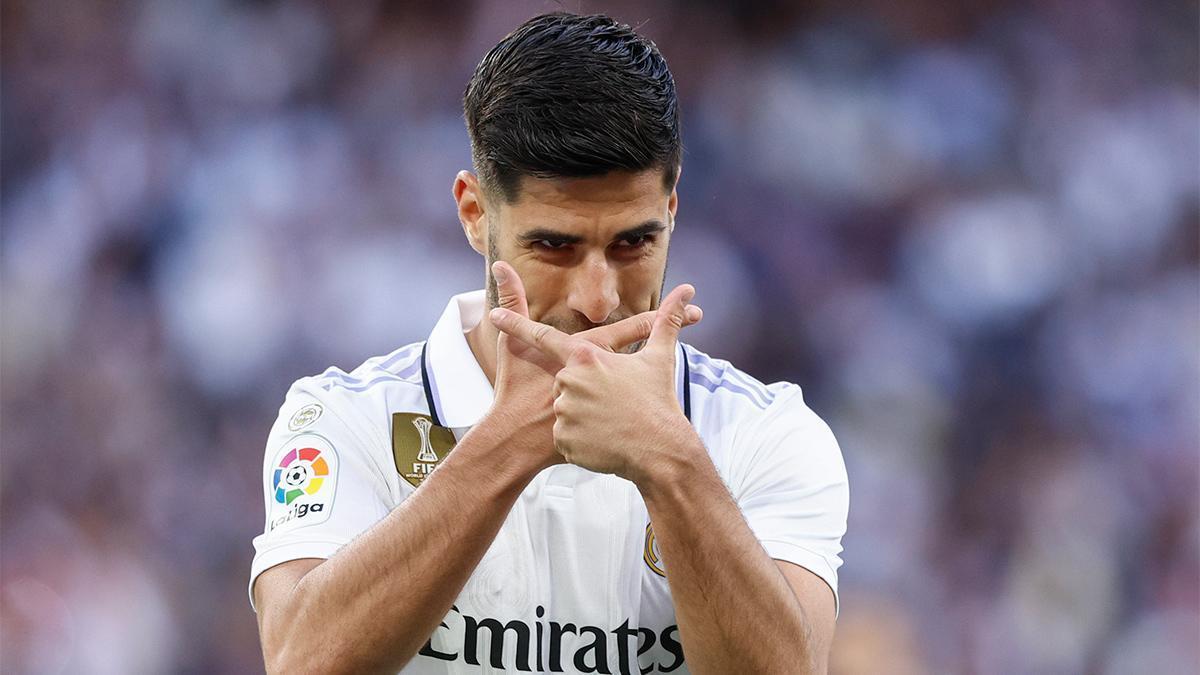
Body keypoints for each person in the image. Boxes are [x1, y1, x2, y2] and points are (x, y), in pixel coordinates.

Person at [249, 12, 848, 674]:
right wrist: (511, 438)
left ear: (672, 208)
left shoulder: (765, 433)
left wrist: (671, 462)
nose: (599, 296)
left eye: (634, 242)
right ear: (475, 212)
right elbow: (301, 661)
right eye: (555, 246)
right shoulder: (343, 419)